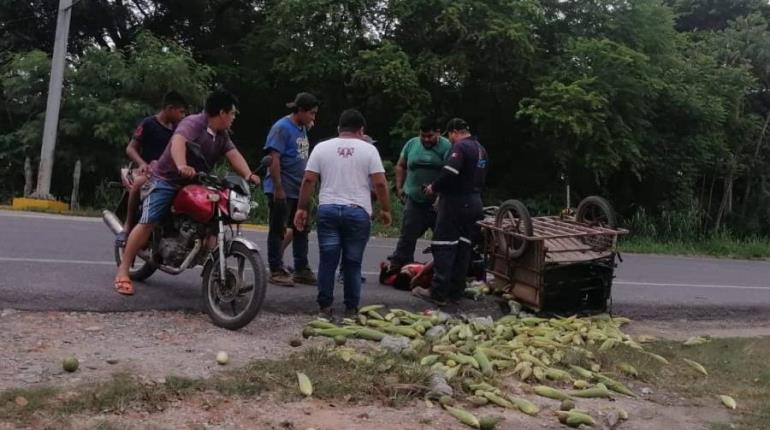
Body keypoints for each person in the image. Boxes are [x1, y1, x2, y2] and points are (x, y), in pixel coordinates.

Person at [112, 89, 260, 296]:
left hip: (197, 181)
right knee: (149, 221)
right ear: (222, 113)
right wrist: (181, 164)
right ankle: (123, 271)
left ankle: (213, 268)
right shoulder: (193, 123)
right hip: (168, 179)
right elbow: (178, 142)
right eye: (233, 113)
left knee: (213, 218)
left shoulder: (222, 135)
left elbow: (233, 154)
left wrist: (249, 175)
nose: (234, 117)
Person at [294, 109, 392, 320]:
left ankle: (324, 308)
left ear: (339, 129)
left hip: (328, 210)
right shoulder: (369, 150)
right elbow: (380, 183)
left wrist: (302, 208)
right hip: (357, 212)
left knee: (327, 261)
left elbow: (309, 180)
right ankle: (350, 310)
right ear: (362, 130)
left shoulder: (322, 148)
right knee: (352, 263)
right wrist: (385, 209)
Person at [412, 118, 487, 306]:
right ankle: (455, 292)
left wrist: (433, 188)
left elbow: (450, 172)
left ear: (454, 132)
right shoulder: (481, 149)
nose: (450, 140)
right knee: (464, 247)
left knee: (444, 245)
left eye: (450, 135)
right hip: (475, 202)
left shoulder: (460, 147)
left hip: (456, 202)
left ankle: (438, 293)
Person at [117, 91, 188, 246]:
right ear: (170, 108)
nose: (183, 116)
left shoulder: (178, 129)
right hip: (148, 171)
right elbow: (130, 148)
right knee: (138, 184)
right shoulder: (148, 123)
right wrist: (142, 163)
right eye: (181, 112)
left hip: (169, 173)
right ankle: (128, 226)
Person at [263, 92, 319, 287]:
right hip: (283, 188)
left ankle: (301, 268)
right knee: (278, 228)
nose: (313, 118)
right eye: (311, 113)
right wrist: (278, 188)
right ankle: (276, 269)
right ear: (301, 111)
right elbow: (274, 158)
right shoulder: (281, 128)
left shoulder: (301, 127)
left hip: (298, 188)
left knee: (301, 228)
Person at [385, 117, 451, 274]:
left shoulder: (447, 147)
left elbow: (449, 172)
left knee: (443, 237)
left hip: (437, 202)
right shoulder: (412, 144)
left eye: (430, 136)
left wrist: (440, 191)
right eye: (423, 136)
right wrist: (400, 187)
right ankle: (399, 266)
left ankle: (442, 270)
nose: (426, 139)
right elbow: (401, 165)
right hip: (413, 198)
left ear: (438, 133)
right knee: (407, 233)